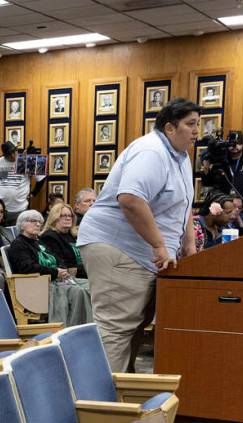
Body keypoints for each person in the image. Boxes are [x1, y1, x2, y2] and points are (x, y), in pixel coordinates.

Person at [78, 98, 200, 372]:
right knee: (116, 328)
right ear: (169, 127)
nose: (196, 131)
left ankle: (122, 394)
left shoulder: (180, 156)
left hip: (143, 254)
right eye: (190, 124)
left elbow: (183, 204)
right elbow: (131, 199)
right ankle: (100, 406)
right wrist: (159, 245)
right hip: (119, 247)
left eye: (198, 125)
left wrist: (188, 245)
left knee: (133, 327)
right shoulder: (151, 151)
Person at [10, 210, 91, 326]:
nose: (38, 224)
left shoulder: (38, 242)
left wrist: (62, 269)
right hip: (38, 285)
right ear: (22, 225)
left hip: (55, 279)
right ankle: (74, 326)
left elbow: (58, 259)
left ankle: (92, 325)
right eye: (33, 221)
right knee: (77, 291)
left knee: (90, 285)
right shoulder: (18, 244)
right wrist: (55, 272)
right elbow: (27, 267)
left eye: (39, 222)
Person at [202, 130, 243, 233]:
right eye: (232, 143)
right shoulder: (220, 162)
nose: (234, 146)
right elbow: (208, 183)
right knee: (226, 245)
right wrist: (206, 170)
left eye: (238, 143)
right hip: (225, 214)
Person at [0, 141, 46, 225]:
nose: (13, 156)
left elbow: (41, 178)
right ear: (4, 155)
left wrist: (34, 193)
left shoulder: (25, 160)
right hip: (1, 209)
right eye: (9, 154)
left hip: (20, 208)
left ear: (17, 150)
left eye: (14, 152)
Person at [41, 203, 87, 277]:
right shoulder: (49, 237)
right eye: (63, 216)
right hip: (66, 277)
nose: (68, 218)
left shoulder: (71, 234)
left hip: (82, 273)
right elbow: (60, 264)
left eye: (70, 216)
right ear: (55, 218)